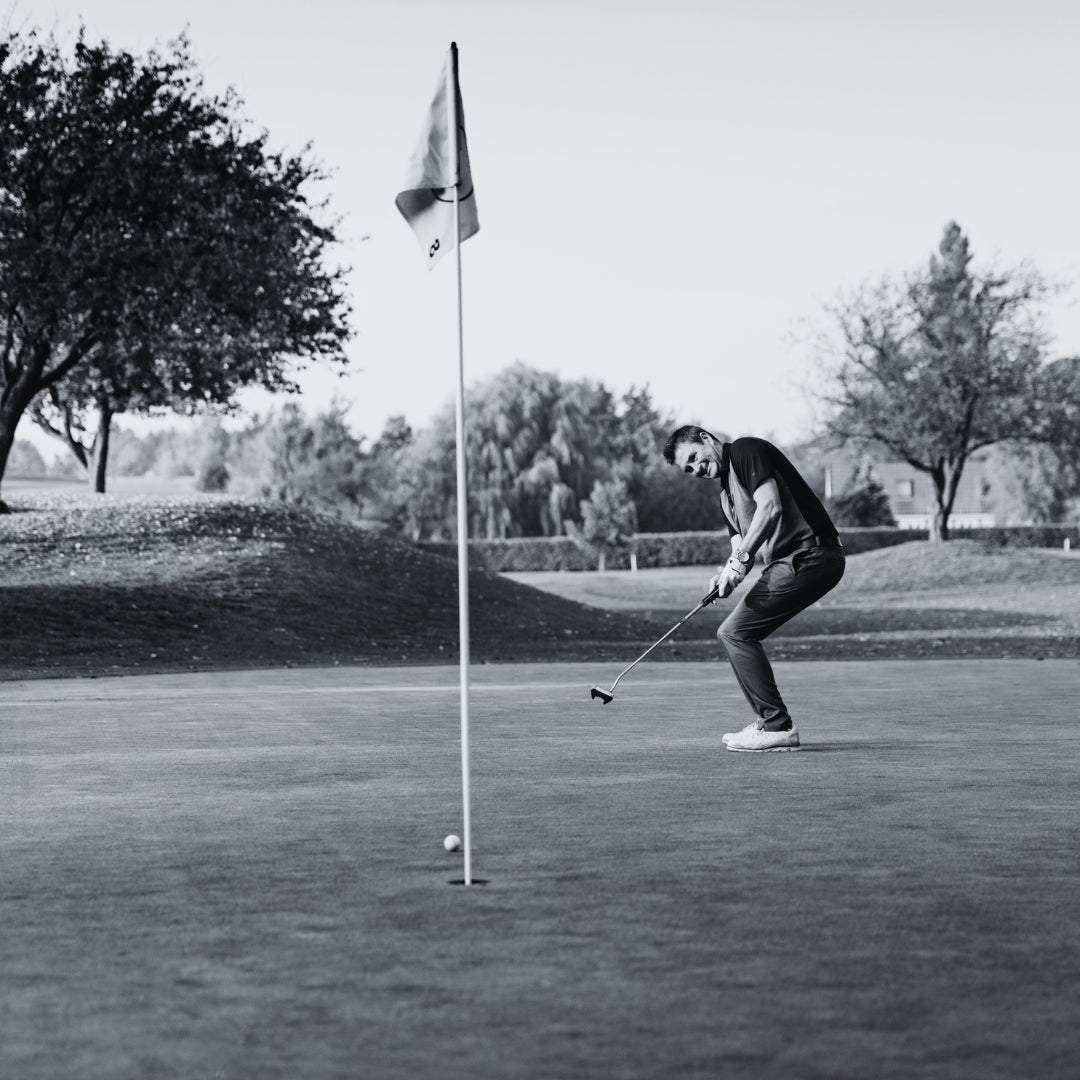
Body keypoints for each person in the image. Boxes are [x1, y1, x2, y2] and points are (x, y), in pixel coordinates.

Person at [662, 426, 845, 752]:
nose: (697, 469)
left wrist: (741, 558)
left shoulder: (745, 452)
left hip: (810, 554)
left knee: (735, 633)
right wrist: (726, 575)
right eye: (689, 470)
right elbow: (740, 554)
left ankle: (777, 726)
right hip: (792, 562)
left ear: (706, 439)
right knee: (734, 633)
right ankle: (770, 723)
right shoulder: (725, 498)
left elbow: (770, 507)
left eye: (695, 458)